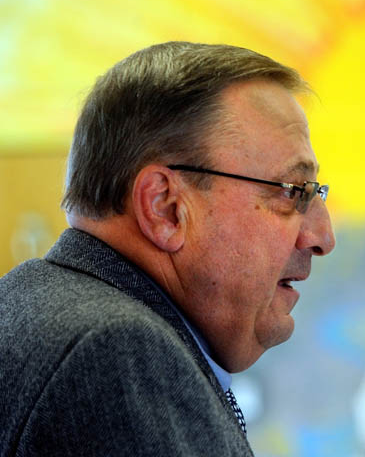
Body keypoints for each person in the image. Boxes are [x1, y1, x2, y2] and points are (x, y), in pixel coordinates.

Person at [0, 42, 335, 456]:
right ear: (166, 208)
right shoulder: (115, 354)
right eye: (291, 192)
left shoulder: (35, 302)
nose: (322, 237)